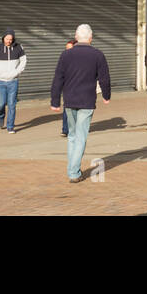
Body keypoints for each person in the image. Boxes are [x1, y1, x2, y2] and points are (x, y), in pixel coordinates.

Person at [50, 24, 111, 184]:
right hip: (87, 101)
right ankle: (74, 172)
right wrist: (106, 95)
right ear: (90, 38)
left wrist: (55, 101)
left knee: (72, 136)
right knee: (81, 137)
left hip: (69, 101)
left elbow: (58, 78)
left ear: (76, 37)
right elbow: (104, 78)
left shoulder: (66, 55)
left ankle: (72, 169)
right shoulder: (98, 55)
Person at [0, 31, 26, 134]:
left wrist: (17, 72)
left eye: (10, 39)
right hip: (0, 82)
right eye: (7, 39)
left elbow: (23, 61)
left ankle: (10, 127)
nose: (8, 41)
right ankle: (1, 116)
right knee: (1, 104)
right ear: (3, 38)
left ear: (13, 39)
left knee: (12, 104)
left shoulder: (19, 48)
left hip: (13, 81)